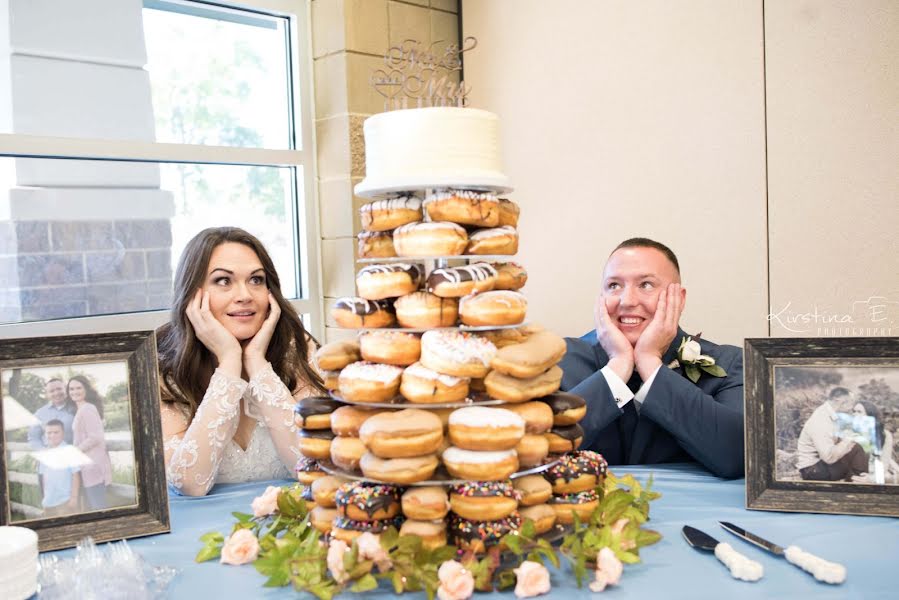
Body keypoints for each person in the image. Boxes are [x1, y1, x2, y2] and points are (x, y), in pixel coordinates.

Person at [158, 227, 325, 497]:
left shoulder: (298, 349)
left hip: (292, 529)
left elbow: (312, 468)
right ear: (193, 295)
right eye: (223, 281)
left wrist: (257, 364)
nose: (245, 295)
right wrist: (229, 363)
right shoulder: (163, 365)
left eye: (256, 280)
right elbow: (189, 484)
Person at [558, 238, 744, 478]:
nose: (627, 301)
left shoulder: (728, 363)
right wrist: (617, 367)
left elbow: (736, 457)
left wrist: (650, 363)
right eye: (614, 286)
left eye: (646, 285)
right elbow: (535, 453)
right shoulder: (559, 361)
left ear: (680, 298)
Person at [795, 387, 869, 481]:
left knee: (859, 444)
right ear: (840, 402)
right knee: (858, 446)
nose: (852, 407)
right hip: (813, 471)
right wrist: (848, 439)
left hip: (819, 466)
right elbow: (829, 458)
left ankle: (857, 478)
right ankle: (858, 480)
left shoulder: (830, 414)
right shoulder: (821, 420)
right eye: (851, 402)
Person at [69, 375, 113, 510]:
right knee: (91, 507)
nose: (74, 391)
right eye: (71, 389)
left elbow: (95, 437)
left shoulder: (87, 409)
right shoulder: (81, 409)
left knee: (99, 508)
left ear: (86, 390)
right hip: (87, 466)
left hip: (93, 467)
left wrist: (75, 450)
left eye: (78, 388)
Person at [37, 419, 82, 517]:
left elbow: (75, 475)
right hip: (48, 502)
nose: (52, 435)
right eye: (49, 433)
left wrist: (74, 498)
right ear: (45, 434)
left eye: (56, 432)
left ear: (63, 433)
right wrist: (45, 497)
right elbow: (44, 477)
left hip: (65, 501)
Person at [853, 400, 899, 483]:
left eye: (859, 412)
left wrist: (871, 479)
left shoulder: (884, 434)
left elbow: (884, 462)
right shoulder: (850, 433)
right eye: (854, 411)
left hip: (877, 475)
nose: (855, 414)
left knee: (889, 478)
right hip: (855, 475)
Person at [27, 378, 77, 449]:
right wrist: (45, 453)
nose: (56, 393)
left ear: (66, 389)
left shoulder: (76, 409)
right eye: (51, 391)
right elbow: (33, 438)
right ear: (47, 394)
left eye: (59, 389)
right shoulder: (39, 413)